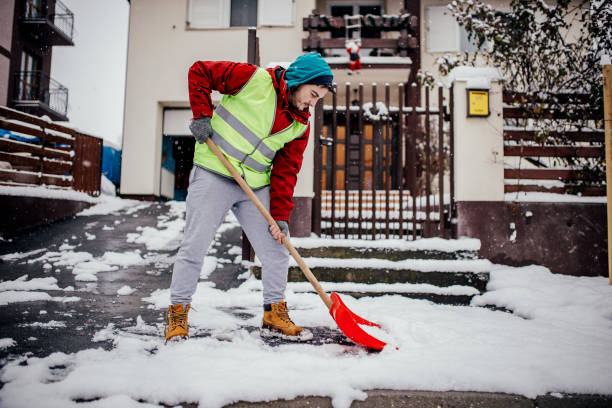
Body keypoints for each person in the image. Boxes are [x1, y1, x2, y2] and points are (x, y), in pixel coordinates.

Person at [165, 52, 334, 342]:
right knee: (194, 247)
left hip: (254, 185)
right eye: (313, 94)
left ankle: (274, 314)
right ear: (300, 81)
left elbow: (286, 170)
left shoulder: (299, 125)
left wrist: (279, 216)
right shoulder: (254, 79)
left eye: (318, 99)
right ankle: (178, 314)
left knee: (277, 250)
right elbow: (200, 71)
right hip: (214, 172)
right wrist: (202, 114)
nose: (313, 103)